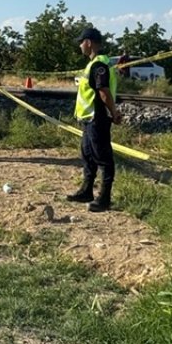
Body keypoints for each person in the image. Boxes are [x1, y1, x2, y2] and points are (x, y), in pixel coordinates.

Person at [65, 27, 122, 212]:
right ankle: (86, 190)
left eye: (81, 42)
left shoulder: (99, 65)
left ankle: (104, 198)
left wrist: (114, 113)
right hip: (88, 118)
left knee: (103, 158)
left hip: (98, 118)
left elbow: (104, 92)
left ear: (88, 42)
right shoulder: (93, 64)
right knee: (88, 155)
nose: (80, 46)